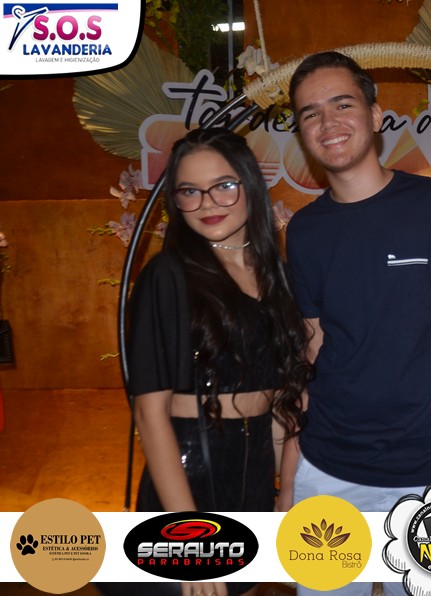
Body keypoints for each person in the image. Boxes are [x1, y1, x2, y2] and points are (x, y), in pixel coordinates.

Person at [284, 51, 431, 596]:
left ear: (375, 114)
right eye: (311, 113)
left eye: (342, 104)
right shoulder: (305, 232)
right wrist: (289, 474)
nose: (328, 122)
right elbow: (312, 348)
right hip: (330, 469)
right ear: (302, 133)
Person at [126, 128, 310, 596]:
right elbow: (149, 414)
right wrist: (186, 536)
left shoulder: (277, 275)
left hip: (254, 473)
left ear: (250, 185)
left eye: (224, 185)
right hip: (189, 474)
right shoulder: (167, 275)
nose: (207, 202)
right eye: (189, 191)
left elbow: (281, 400)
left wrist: (285, 492)